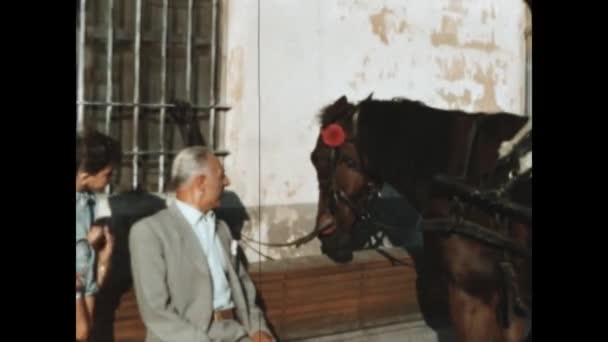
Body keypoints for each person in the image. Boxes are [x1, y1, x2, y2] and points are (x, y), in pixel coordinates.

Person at [129, 146, 274, 342]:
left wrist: (258, 328)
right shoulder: (151, 232)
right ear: (201, 182)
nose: (227, 182)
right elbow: (156, 312)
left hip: (235, 332)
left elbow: (243, 285)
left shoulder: (222, 228)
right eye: (221, 176)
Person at [76, 129, 121, 341]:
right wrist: (87, 241)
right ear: (86, 175)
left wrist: (103, 259)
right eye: (107, 174)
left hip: (87, 283)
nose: (110, 180)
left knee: (87, 331)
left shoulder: (90, 201)